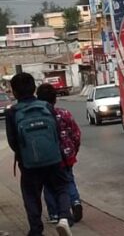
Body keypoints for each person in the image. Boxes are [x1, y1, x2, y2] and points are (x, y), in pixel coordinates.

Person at [5, 73, 73, 236]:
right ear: (34, 88)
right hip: (53, 159)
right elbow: (57, 132)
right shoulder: (46, 107)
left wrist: (24, 154)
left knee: (31, 195)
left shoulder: (13, 112)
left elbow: (12, 141)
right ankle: (64, 217)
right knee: (61, 187)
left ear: (14, 92)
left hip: (29, 163)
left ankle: (36, 230)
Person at [37, 83, 83, 225]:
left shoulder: (38, 116)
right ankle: (75, 201)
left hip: (47, 157)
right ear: (55, 99)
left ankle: (55, 213)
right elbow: (76, 134)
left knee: (49, 185)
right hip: (66, 155)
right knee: (68, 180)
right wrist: (73, 150)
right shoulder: (64, 113)